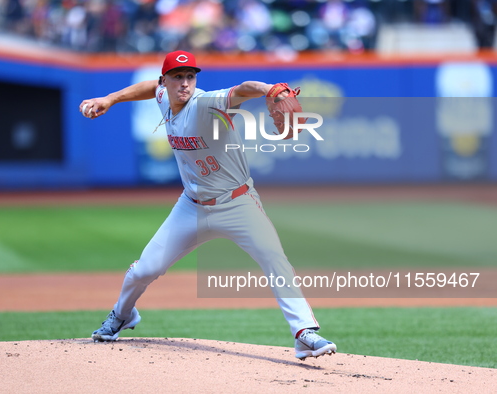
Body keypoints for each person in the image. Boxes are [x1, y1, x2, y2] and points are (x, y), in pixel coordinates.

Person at [78, 50, 337, 361]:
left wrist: (270, 90)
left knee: (274, 259)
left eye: (190, 76)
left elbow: (242, 89)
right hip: (192, 207)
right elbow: (150, 88)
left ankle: (303, 333)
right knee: (145, 269)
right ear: (166, 81)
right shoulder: (163, 96)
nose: (185, 83)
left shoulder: (205, 103)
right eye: (177, 77)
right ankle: (122, 315)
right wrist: (110, 98)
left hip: (238, 203)